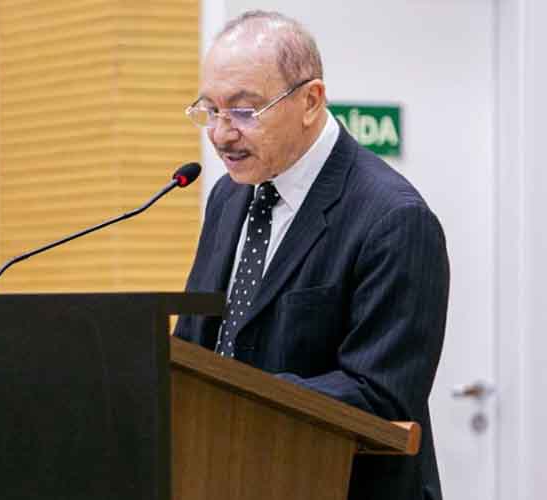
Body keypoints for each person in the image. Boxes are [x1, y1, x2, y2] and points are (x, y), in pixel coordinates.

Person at [173, 10, 449, 500]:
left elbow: (382, 394)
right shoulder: (228, 197)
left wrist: (236, 403)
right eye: (210, 109)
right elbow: (197, 346)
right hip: (229, 479)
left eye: (244, 111)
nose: (220, 133)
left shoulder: (394, 219)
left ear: (310, 101)